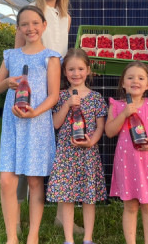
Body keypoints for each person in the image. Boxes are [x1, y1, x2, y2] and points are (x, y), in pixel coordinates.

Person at [14, 0, 82, 234]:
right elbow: (18, 55)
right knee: (24, 154)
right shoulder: (31, 12)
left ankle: (60, 216)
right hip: (31, 92)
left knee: (59, 153)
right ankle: (17, 219)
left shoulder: (65, 17)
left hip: (55, 91)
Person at [0, 5, 61, 244]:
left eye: (34, 23)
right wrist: (8, 81)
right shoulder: (11, 55)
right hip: (12, 124)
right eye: (24, 24)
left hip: (38, 124)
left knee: (34, 180)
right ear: (18, 28)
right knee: (6, 179)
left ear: (44, 26)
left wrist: (35, 113)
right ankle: (12, 236)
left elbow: (53, 96)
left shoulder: (50, 58)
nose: (30, 28)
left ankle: (33, 235)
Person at [46, 48, 107, 244]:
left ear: (88, 70)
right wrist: (67, 105)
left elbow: (100, 126)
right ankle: (69, 239)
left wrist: (92, 140)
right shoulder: (60, 96)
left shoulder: (96, 98)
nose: (76, 73)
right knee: (67, 196)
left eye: (80, 69)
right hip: (66, 154)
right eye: (71, 69)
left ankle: (88, 238)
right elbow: (55, 124)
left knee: (88, 198)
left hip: (88, 153)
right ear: (65, 72)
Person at [105, 61, 148, 244]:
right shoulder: (116, 105)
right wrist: (124, 114)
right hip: (126, 162)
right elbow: (109, 132)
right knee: (130, 206)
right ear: (123, 83)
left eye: (141, 78)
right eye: (130, 77)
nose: (135, 81)